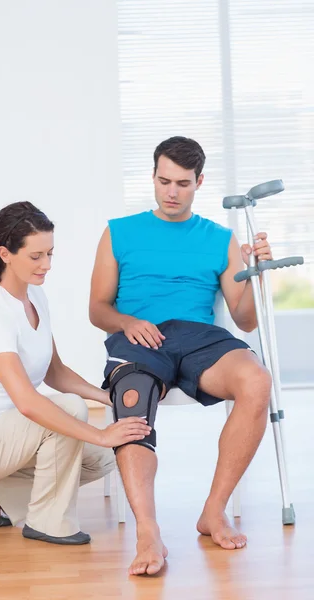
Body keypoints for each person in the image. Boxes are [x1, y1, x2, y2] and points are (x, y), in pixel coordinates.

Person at [89, 136, 274, 574]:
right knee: (131, 401)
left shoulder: (220, 238)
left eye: (183, 183)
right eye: (164, 180)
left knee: (256, 381)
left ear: (199, 182)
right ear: (152, 177)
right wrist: (126, 322)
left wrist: (257, 276)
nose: (172, 192)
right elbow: (97, 308)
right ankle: (148, 531)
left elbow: (245, 320)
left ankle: (214, 510)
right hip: (138, 336)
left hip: (200, 338)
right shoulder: (119, 231)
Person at [0, 201, 151, 546]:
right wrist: (99, 433)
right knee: (69, 413)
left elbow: (55, 372)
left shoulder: (35, 296)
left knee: (103, 461)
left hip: (11, 435)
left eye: (50, 253)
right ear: (6, 254)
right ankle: (48, 522)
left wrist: (106, 396)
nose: (47, 265)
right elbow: (27, 402)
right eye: (36, 256)